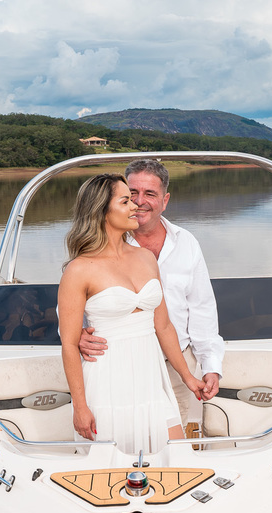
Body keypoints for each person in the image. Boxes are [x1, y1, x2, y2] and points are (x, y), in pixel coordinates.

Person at [58, 174, 204, 454]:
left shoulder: (145, 258)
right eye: (125, 200)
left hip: (152, 380)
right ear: (102, 209)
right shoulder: (79, 270)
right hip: (107, 381)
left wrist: (188, 377)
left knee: (175, 456)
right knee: (110, 470)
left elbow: (163, 327)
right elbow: (68, 344)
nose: (135, 205)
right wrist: (80, 406)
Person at [78, 159, 224, 434]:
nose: (139, 202)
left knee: (184, 442)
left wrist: (210, 367)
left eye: (150, 194)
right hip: (118, 366)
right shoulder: (95, 249)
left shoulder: (187, 243)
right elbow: (71, 307)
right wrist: (77, 335)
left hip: (178, 363)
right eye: (131, 194)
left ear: (165, 200)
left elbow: (202, 310)